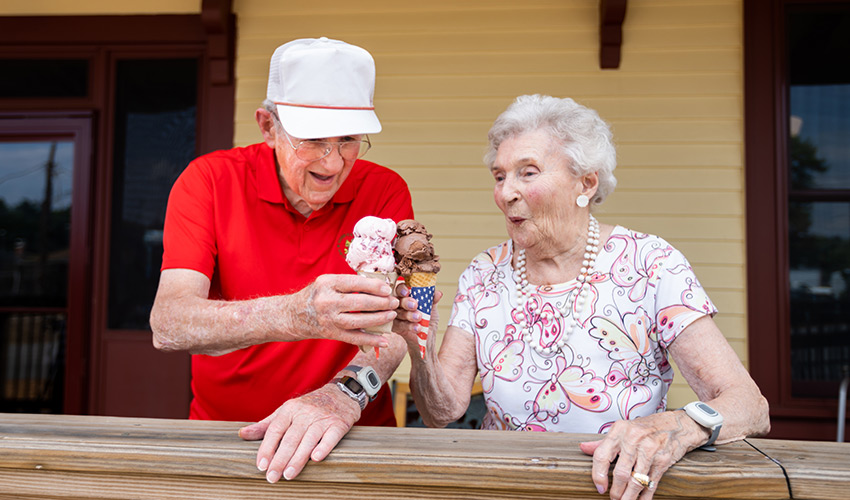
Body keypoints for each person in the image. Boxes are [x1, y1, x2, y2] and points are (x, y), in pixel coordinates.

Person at [392, 94, 770, 500]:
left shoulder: (651, 264)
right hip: (507, 487)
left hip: (616, 488)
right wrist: (421, 347)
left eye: (528, 172)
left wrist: (674, 429)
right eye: (500, 176)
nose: (506, 193)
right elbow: (441, 412)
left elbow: (750, 406)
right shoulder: (485, 273)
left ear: (586, 183)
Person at [149, 37, 414, 483]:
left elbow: (401, 324)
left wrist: (340, 396)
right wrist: (298, 313)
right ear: (267, 125)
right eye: (312, 140)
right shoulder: (209, 182)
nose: (332, 162)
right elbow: (169, 323)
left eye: (348, 139)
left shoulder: (384, 190)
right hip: (228, 439)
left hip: (352, 436)